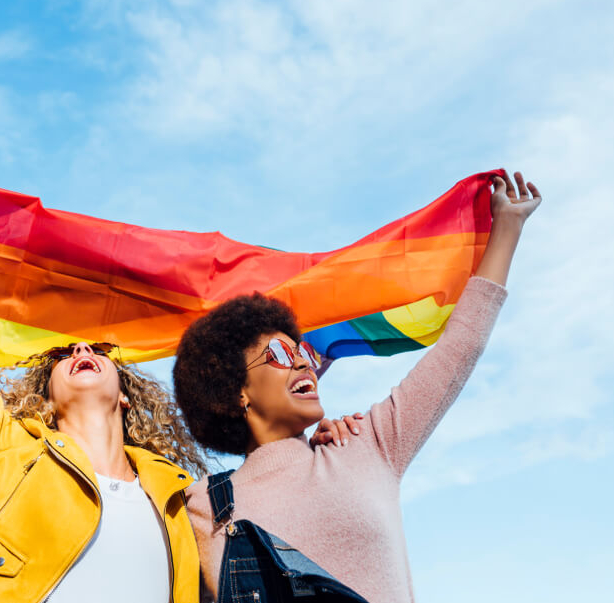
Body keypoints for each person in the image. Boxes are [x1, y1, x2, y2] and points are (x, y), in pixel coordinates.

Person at [0, 166, 360, 603]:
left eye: (96, 349)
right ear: (45, 397)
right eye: (64, 354)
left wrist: (313, 445)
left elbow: (274, 492)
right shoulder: (7, 449)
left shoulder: (183, 497)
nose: (81, 350)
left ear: (124, 392)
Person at [174, 172, 541, 603]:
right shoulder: (201, 506)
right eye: (278, 353)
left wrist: (508, 227)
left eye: (305, 354)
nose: (302, 362)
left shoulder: (368, 446)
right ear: (235, 391)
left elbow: (460, 347)